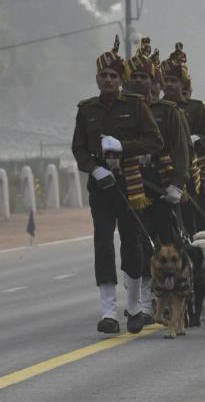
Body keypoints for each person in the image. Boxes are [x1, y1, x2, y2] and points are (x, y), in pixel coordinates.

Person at [72, 35, 163, 334]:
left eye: (113, 75)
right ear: (97, 79)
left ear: (120, 79)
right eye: (103, 75)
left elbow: (155, 141)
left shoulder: (136, 105)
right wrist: (93, 169)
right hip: (101, 185)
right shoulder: (86, 110)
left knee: (132, 242)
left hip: (131, 184)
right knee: (102, 244)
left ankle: (135, 307)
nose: (108, 80)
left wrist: (124, 146)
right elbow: (79, 148)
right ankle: (108, 311)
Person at [123, 39, 191, 324]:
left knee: (166, 243)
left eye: (146, 77)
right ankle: (144, 304)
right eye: (135, 77)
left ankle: (178, 298)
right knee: (136, 244)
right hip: (133, 185)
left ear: (156, 82)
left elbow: (181, 151)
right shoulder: (121, 110)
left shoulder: (168, 111)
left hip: (162, 187)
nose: (141, 82)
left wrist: (177, 184)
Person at [160, 43, 205, 236]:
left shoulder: (198, 109)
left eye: (174, 80)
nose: (169, 84)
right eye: (165, 80)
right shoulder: (156, 109)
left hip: (197, 179)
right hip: (167, 176)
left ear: (183, 83)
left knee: (199, 229)